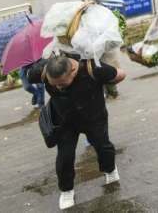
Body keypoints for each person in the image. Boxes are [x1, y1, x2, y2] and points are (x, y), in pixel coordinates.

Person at [28, 54, 126, 210]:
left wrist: (105, 82)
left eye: (62, 83)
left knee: (103, 146)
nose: (58, 87)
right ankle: (66, 191)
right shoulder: (43, 71)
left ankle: (110, 170)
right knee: (65, 156)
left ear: (73, 71)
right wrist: (43, 62)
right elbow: (29, 74)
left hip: (93, 116)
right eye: (54, 84)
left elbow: (121, 74)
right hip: (65, 121)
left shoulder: (91, 68)